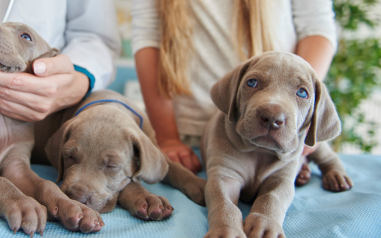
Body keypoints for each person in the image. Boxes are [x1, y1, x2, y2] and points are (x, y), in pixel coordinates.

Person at [132, 0, 336, 172]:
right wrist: (168, 138)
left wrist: (298, 114)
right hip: (187, 135)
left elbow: (315, 27)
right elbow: (149, 36)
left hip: (276, 133)